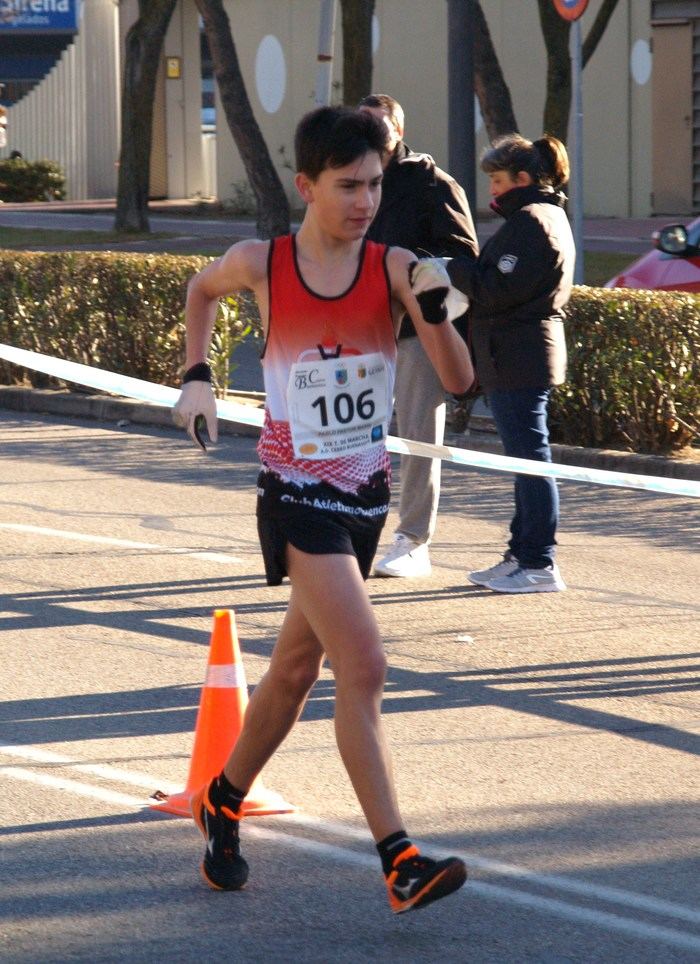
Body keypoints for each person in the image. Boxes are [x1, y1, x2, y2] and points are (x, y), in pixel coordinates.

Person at [172, 106, 474, 913]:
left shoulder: (397, 266)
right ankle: (398, 857)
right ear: (306, 186)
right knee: (364, 665)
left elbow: (456, 380)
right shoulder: (262, 261)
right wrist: (196, 374)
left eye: (376, 183)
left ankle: (222, 800)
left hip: (363, 496)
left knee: (296, 672)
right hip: (294, 492)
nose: (365, 200)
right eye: (348, 186)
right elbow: (200, 292)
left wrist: (436, 311)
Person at [445, 133, 574, 594]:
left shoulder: (531, 221)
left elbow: (496, 288)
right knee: (526, 461)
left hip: (520, 355)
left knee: (532, 461)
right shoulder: (539, 216)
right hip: (516, 354)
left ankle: (538, 562)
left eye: (498, 180)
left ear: (523, 178)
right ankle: (521, 554)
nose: (493, 190)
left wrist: (449, 269)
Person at [358, 94, 479, 578]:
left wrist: (408, 273)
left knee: (417, 435)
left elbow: (464, 256)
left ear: (399, 131)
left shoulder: (433, 184)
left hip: (415, 331)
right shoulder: (351, 178)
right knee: (354, 430)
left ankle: (413, 540)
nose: (371, 132)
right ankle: (354, 526)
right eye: (362, 123)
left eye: (380, 125)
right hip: (360, 327)